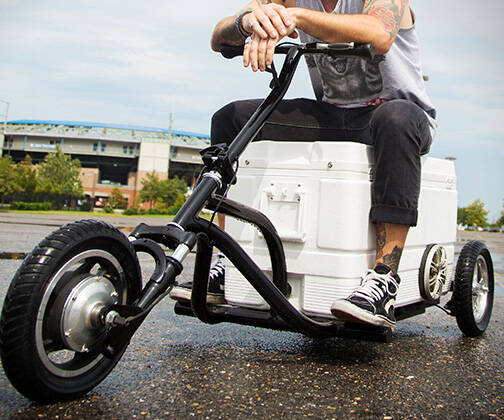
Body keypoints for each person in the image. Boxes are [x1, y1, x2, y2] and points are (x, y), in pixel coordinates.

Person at [170, 0, 436, 330]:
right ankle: (225, 262)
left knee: (395, 119)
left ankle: (384, 279)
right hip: (334, 115)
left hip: (400, 114)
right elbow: (217, 37)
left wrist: (294, 17)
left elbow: (379, 33)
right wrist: (249, 22)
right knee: (231, 118)